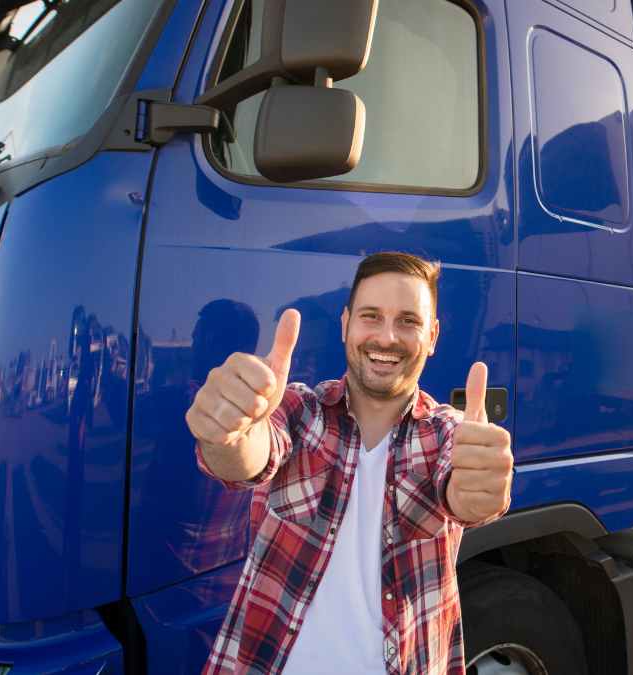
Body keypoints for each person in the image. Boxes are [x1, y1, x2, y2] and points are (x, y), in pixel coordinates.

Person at [186, 252, 514, 674]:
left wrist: (479, 496)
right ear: (346, 325)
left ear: (432, 336)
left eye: (409, 321)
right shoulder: (300, 410)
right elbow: (249, 455)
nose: (387, 337)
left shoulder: (447, 433)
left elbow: (465, 492)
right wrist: (226, 434)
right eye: (371, 316)